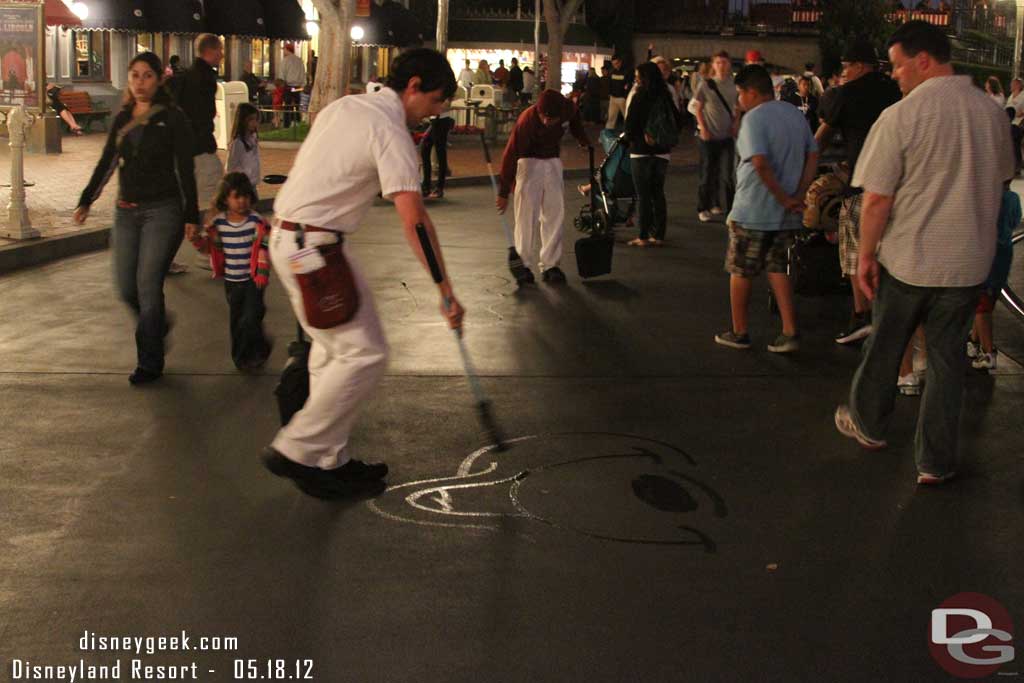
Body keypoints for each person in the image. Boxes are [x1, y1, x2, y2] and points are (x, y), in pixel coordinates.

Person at [264, 48, 464, 497]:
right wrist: (445, 291)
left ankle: (327, 461)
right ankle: (297, 448)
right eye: (434, 101)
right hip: (313, 247)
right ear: (413, 86)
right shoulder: (389, 129)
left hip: (296, 241)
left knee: (332, 352)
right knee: (366, 353)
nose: (433, 114)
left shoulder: (346, 106)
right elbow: (414, 219)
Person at [833, 21, 1014, 485]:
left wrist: (867, 255)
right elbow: (999, 183)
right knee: (948, 361)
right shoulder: (991, 113)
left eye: (896, 66)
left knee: (885, 345)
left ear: (923, 60)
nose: (893, 75)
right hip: (967, 263)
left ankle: (869, 425)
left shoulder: (901, 117)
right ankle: (935, 462)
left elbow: (876, 199)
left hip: (910, 259)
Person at [73, 52, 199, 385]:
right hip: (126, 211)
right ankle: (155, 324)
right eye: (134, 76)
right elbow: (107, 162)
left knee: (147, 285)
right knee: (126, 287)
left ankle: (149, 361)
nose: (140, 82)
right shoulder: (123, 117)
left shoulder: (173, 118)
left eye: (147, 76)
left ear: (159, 80)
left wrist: (191, 215)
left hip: (163, 211)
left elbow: (185, 168)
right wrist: (87, 199)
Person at [713, 65, 818, 354]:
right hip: (787, 216)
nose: (739, 101)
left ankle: (739, 331)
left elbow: (759, 163)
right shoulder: (795, 115)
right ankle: (789, 331)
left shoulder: (754, 120)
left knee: (741, 270)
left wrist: (784, 197)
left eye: (740, 95)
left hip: (753, 210)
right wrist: (798, 194)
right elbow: (812, 153)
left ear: (751, 92)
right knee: (779, 269)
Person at [815, 39, 901, 346]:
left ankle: (861, 314)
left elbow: (825, 113)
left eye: (847, 66)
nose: (844, 72)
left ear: (860, 66)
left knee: (855, 254)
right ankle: (890, 317)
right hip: (898, 188)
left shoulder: (847, 94)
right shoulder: (894, 90)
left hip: (863, 186)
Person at [497, 89, 591, 284]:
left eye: (551, 118)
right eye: (543, 116)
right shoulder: (527, 121)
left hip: (553, 161)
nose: (547, 121)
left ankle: (551, 265)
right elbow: (510, 155)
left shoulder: (567, 109)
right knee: (526, 215)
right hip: (528, 161)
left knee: (554, 213)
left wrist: (582, 139)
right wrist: (503, 192)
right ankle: (523, 264)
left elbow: (574, 119)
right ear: (538, 110)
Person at [196, 173, 272, 371]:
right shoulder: (218, 224)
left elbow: (264, 247)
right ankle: (241, 358)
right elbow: (208, 247)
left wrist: (262, 272)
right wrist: (196, 239)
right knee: (238, 321)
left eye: (246, 196)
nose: (242, 201)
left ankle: (259, 349)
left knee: (251, 317)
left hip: (253, 279)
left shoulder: (256, 222)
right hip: (231, 280)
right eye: (236, 196)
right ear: (225, 199)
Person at [624, 62, 680, 247]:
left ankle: (643, 235)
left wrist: (634, 138)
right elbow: (678, 121)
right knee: (658, 192)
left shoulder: (639, 96)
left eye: (638, 77)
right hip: (662, 151)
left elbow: (630, 126)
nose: (636, 80)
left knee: (643, 194)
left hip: (641, 151)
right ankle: (659, 234)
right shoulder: (666, 96)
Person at [174, 34, 225, 223]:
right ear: (210, 51)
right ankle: (211, 241)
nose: (222, 54)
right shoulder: (205, 78)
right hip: (201, 145)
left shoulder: (187, 75)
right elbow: (203, 113)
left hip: (187, 146)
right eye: (220, 50)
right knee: (217, 196)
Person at [968, 179, 1019, 371]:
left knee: (981, 305)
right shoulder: (1012, 198)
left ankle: (988, 352)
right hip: (1004, 253)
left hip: (986, 254)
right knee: (987, 299)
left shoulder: (988, 198)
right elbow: (1015, 221)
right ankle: (974, 340)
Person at [692, 50, 738, 222]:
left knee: (728, 174)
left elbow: (738, 107)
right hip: (709, 136)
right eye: (718, 62)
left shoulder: (734, 85)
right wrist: (703, 128)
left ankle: (731, 210)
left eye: (724, 62)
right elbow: (698, 108)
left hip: (727, 136)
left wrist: (735, 123)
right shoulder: (706, 84)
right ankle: (703, 207)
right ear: (713, 65)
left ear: (729, 64)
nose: (721, 66)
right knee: (707, 173)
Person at [421, 99, 454, 199]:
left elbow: (446, 104)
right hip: (433, 121)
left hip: (442, 121)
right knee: (424, 150)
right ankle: (426, 184)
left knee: (440, 154)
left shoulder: (444, 89)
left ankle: (440, 187)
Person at [226, 102, 261, 195]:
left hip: (252, 184)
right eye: (251, 119)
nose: (255, 123)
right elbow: (231, 166)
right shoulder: (238, 143)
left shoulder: (253, 138)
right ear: (243, 120)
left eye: (256, 119)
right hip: (242, 187)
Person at [281, 42, 307, 127]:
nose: (283, 51)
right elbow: (303, 74)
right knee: (297, 104)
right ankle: (297, 122)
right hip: (297, 87)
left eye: (284, 49)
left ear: (287, 50)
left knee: (287, 106)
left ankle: (287, 124)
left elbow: (282, 75)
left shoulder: (285, 61)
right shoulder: (299, 60)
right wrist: (303, 85)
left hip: (288, 87)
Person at [606, 56, 630, 129]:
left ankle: (629, 131)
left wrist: (625, 95)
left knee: (627, 116)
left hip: (622, 98)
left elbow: (628, 84)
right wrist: (610, 93)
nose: (615, 66)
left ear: (620, 62)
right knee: (611, 117)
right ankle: (608, 131)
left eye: (616, 63)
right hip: (613, 97)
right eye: (613, 64)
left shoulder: (626, 72)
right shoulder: (612, 72)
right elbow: (609, 83)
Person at [1006, 78, 1024, 173]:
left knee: (1015, 142)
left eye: (1013, 84)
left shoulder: (1023, 96)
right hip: (1009, 122)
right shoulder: (1010, 96)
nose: (1011, 85)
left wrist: (1017, 114)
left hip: (1019, 123)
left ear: (1018, 85)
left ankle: (1017, 165)